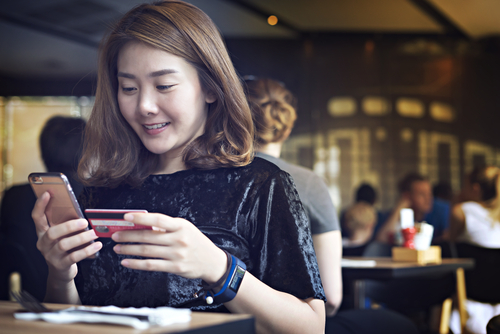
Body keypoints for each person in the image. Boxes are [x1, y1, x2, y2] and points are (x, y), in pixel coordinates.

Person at [30, 2, 325, 334]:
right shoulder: (102, 191)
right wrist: (60, 274)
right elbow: (74, 316)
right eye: (128, 88)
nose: (144, 106)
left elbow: (310, 326)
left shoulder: (260, 185)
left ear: (211, 88)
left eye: (164, 85)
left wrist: (218, 268)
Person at [245, 77, 419, 334]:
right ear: (287, 126)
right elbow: (332, 298)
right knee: (402, 327)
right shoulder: (308, 184)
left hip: (225, 322)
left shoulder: (207, 179)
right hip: (293, 327)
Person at [0, 115, 86, 301]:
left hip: (25, 305)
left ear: (43, 153)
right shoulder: (94, 195)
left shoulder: (14, 197)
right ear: (86, 153)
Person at [448, 166, 500, 333]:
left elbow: (450, 244)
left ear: (475, 188)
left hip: (470, 301)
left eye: (464, 185)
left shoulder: (462, 211)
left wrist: (455, 201)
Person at [376, 172, 449, 244]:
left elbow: (448, 237)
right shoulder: (399, 214)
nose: (428, 198)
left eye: (429, 194)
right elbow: (381, 240)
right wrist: (399, 208)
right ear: (407, 196)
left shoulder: (441, 209)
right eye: (422, 194)